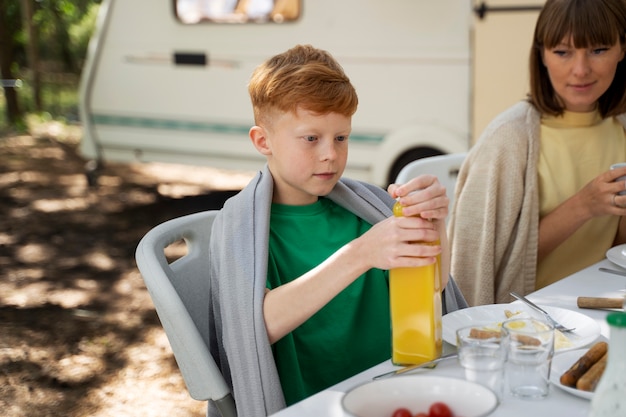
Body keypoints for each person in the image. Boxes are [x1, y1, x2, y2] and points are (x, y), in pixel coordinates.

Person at [208, 44, 468, 417]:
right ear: (263, 141)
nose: (330, 154)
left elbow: (434, 286)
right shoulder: (241, 227)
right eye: (311, 138)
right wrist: (361, 254)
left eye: (341, 138)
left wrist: (433, 224)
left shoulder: (367, 208)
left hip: (398, 388)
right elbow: (252, 328)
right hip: (316, 407)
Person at [449, 0, 626, 306]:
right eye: (562, 52)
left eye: (598, 50)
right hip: (529, 319)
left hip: (603, 302)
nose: (580, 70)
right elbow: (485, 268)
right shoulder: (508, 139)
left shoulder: (620, 128)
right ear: (542, 55)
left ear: (622, 48)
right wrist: (584, 206)